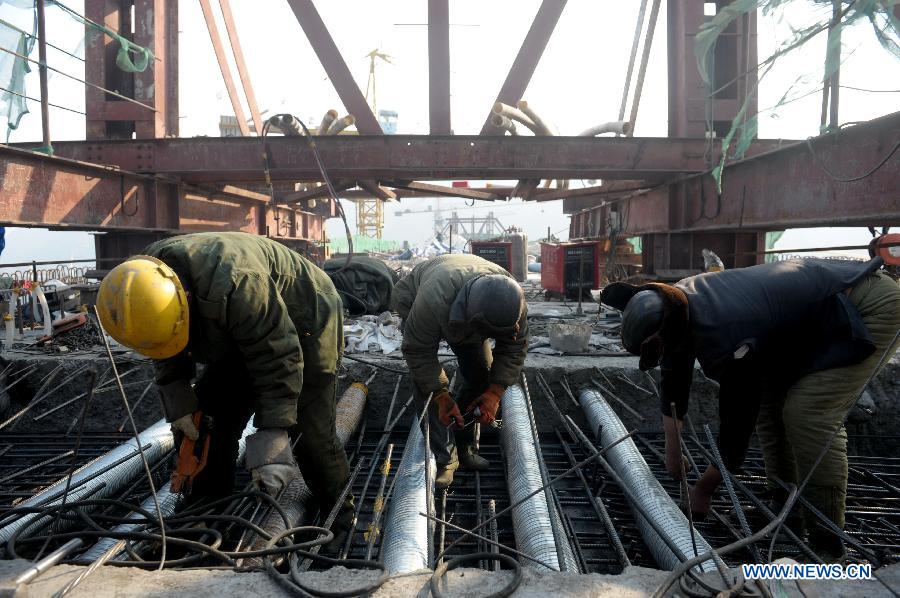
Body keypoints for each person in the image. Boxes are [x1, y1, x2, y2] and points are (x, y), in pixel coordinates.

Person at [601, 257, 900, 560]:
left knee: (808, 414)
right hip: (811, 316)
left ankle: (827, 542)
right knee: (772, 407)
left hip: (866, 303)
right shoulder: (674, 305)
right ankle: (786, 506)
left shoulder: (725, 328)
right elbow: (674, 380)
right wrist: (673, 453)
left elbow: (738, 421)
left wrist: (704, 490)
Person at [96, 232, 352, 548]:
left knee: (310, 430)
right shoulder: (141, 283)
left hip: (307, 317)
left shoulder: (239, 284)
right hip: (236, 321)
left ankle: (339, 516)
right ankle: (208, 510)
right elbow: (161, 345)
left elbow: (277, 355)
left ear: (184, 300)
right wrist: (179, 401)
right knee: (207, 421)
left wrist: (272, 435)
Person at [391, 254, 528, 488]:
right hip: (416, 294)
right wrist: (441, 395)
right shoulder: (432, 302)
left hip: (465, 302)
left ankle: (465, 445)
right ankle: (444, 458)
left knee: (481, 373)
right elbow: (419, 353)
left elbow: (514, 348)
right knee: (426, 384)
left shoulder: (514, 303)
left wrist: (494, 393)